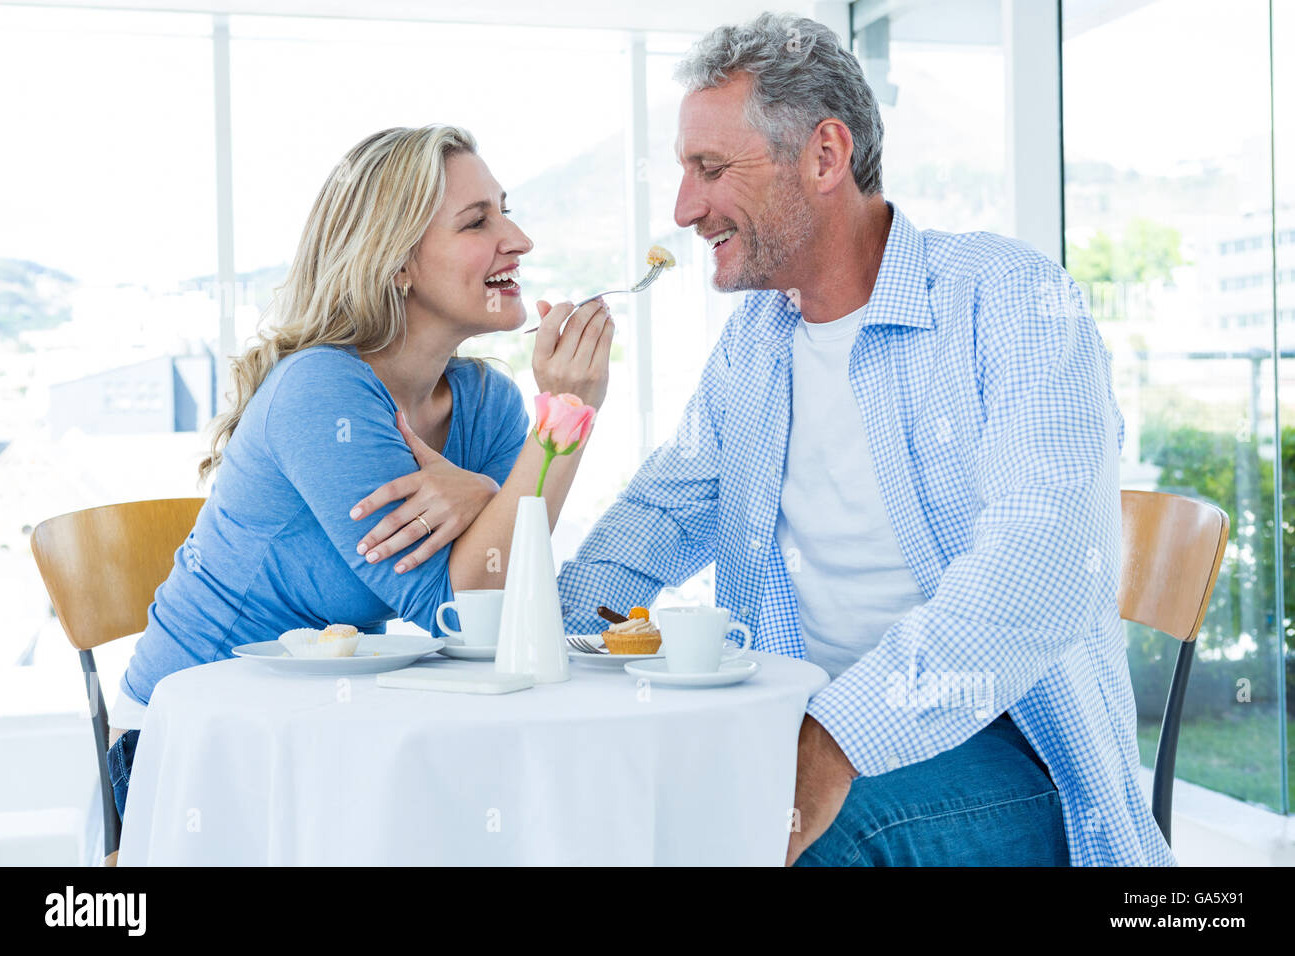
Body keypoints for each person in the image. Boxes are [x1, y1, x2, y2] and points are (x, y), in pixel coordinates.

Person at [554, 14, 1171, 867]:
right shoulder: (756, 345)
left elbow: (1043, 563)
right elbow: (659, 515)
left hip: (1008, 742)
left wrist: (831, 741)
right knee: (603, 803)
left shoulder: (1009, 299)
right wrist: (534, 632)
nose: (684, 209)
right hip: (804, 721)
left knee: (780, 841)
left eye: (711, 169)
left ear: (824, 156)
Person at [105, 125, 614, 822]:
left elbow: (499, 619)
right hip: (193, 745)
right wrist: (566, 416)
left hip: (319, 730)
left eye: (507, 209)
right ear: (398, 263)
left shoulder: (489, 405)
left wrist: (496, 489)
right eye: (478, 221)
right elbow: (458, 608)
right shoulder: (321, 392)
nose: (518, 239)